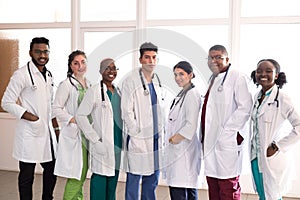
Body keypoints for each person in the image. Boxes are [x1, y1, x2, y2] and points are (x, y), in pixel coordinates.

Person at [1, 37, 58, 200]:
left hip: (46, 134)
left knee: (52, 170)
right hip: (29, 132)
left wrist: (56, 128)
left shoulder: (48, 74)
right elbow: (6, 102)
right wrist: (30, 116)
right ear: (30, 53)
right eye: (38, 51)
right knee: (27, 176)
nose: (42, 55)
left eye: (45, 51)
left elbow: (50, 103)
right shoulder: (21, 74)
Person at [200, 44, 253, 200]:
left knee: (228, 185)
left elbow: (245, 108)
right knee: (213, 183)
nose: (213, 61)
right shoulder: (213, 79)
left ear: (227, 59)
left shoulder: (237, 77)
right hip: (211, 142)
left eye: (218, 57)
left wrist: (227, 132)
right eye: (210, 58)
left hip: (226, 141)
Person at [249, 59, 300, 200]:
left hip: (271, 157)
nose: (263, 74)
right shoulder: (256, 97)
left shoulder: (283, 99)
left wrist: (277, 146)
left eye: (268, 71)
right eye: (259, 71)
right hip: (255, 155)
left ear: (276, 75)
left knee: (272, 196)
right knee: (263, 194)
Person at [121, 42, 166, 200]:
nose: (151, 61)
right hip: (139, 139)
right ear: (140, 59)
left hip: (156, 139)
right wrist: (136, 132)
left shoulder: (158, 81)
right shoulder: (131, 81)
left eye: (154, 57)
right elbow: (126, 111)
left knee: (152, 179)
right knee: (134, 178)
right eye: (147, 57)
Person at [76, 58, 123, 200]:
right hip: (102, 143)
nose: (111, 71)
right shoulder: (94, 91)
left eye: (114, 68)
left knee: (113, 181)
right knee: (100, 180)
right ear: (101, 71)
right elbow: (80, 115)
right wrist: (95, 140)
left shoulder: (119, 91)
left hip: (117, 142)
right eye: (107, 68)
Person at [52, 50, 91, 199]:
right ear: (71, 66)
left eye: (83, 62)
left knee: (81, 175)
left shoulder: (89, 84)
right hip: (75, 136)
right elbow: (56, 108)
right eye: (76, 63)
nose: (80, 66)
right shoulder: (66, 85)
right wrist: (72, 119)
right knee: (76, 176)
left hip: (86, 136)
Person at [165, 61, 201, 200]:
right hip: (180, 150)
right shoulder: (183, 93)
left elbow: (190, 125)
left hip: (183, 149)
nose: (177, 77)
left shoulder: (192, 94)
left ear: (190, 75)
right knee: (187, 189)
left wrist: (174, 139)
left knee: (180, 190)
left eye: (181, 74)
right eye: (175, 75)